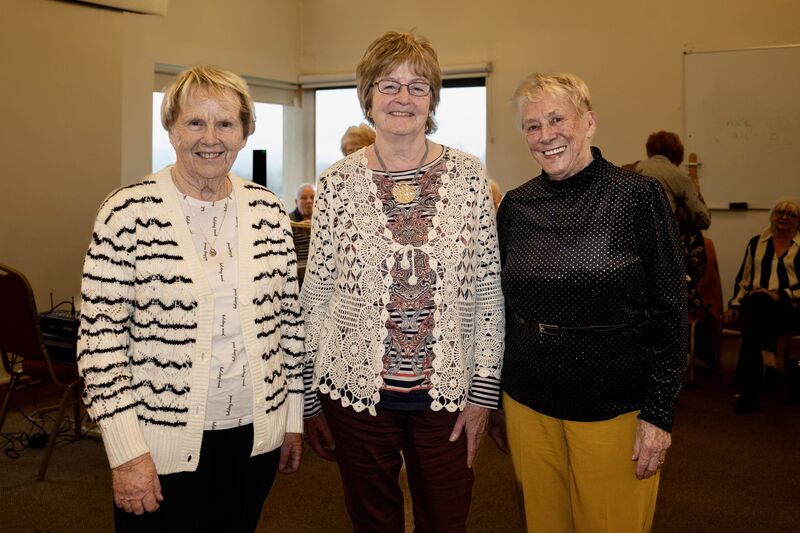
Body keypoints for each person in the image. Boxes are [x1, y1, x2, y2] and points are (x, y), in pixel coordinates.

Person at [77, 65, 305, 532]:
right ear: (171, 127)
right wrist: (125, 453)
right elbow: (99, 344)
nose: (211, 137)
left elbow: (288, 323)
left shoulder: (267, 209)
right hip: (158, 445)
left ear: (245, 132)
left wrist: (292, 418)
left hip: (253, 435)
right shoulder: (127, 211)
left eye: (226, 123)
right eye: (194, 122)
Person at [300, 31, 504, 533]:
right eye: (388, 85)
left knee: (447, 516)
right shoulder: (336, 183)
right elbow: (318, 293)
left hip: (447, 395)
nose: (403, 98)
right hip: (354, 391)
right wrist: (306, 395)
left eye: (417, 86)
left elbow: (487, 294)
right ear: (368, 96)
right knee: (373, 520)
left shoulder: (470, 178)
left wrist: (482, 395)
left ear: (432, 98)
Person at [490, 72, 687, 532]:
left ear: (589, 122)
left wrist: (659, 413)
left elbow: (672, 309)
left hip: (614, 402)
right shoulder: (517, 207)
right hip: (528, 400)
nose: (546, 135)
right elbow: (500, 308)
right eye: (532, 126)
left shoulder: (637, 197)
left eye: (557, 119)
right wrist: (495, 398)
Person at [722, 196, 800, 414]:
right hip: (755, 304)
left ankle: (747, 390)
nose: (784, 217)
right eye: (779, 212)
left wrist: (781, 294)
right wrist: (734, 306)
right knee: (758, 302)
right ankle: (769, 362)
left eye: (791, 214)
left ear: (798, 220)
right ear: (772, 216)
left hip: (790, 308)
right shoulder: (756, 242)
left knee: (755, 321)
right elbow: (744, 279)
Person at [634, 131, 711, 316]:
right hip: (662, 255)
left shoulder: (631, 170)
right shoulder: (677, 175)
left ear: (649, 151)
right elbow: (703, 220)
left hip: (632, 253)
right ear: (678, 155)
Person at [289, 183, 315, 284]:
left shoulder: (324, 221)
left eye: (312, 197)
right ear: (296, 201)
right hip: (296, 278)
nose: (309, 201)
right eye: (304, 198)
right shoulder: (288, 221)